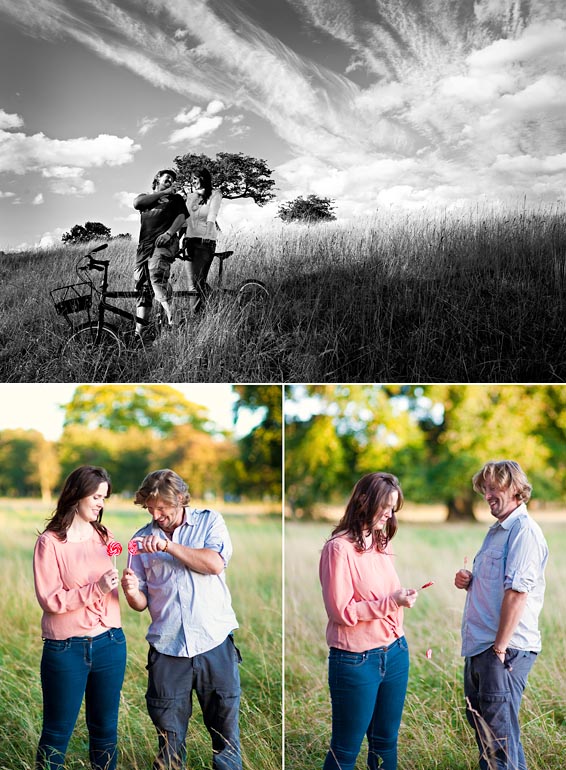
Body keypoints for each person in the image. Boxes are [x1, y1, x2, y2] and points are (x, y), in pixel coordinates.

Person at [120, 468, 242, 770]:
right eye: (151, 509)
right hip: (167, 650)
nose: (156, 515)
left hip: (214, 644)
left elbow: (214, 563)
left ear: (180, 499)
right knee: (169, 740)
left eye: (162, 508)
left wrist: (167, 546)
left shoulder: (210, 521)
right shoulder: (140, 540)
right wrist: (131, 591)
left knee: (225, 736)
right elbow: (140, 603)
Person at [319, 472, 419, 770]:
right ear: (364, 500)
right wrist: (392, 602)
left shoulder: (381, 541)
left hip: (396, 652)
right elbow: (341, 611)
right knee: (346, 750)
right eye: (385, 507)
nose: (389, 515)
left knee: (386, 742)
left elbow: (382, 594)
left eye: (393, 509)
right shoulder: (338, 548)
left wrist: (401, 599)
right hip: (356, 661)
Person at [454, 460, 548, 770]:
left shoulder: (524, 532)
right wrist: (472, 580)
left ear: (516, 489)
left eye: (496, 488)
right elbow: (499, 584)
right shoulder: (498, 530)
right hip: (482, 647)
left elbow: (517, 593)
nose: (489, 495)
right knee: (492, 738)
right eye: (485, 489)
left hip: (502, 650)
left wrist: (499, 648)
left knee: (498, 747)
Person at [33, 465, 126, 770]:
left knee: (105, 733)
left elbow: (110, 586)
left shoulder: (104, 536)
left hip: (110, 643)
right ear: (77, 494)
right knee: (56, 735)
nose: (101, 503)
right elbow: (49, 599)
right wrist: (95, 589)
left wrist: (125, 584)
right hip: (66, 649)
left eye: (105, 497)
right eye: (97, 496)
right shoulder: (50, 542)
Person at [133, 168, 189, 334]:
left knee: (156, 273)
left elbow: (181, 217)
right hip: (144, 247)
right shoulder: (146, 198)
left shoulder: (176, 199)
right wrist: (162, 193)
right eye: (167, 178)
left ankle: (174, 321)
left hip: (164, 243)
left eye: (172, 180)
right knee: (142, 289)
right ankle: (139, 333)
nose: (170, 181)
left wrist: (169, 233)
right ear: (157, 179)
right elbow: (137, 203)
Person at [182, 168, 222, 312]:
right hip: (190, 242)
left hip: (206, 242)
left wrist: (206, 235)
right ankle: (212, 305)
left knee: (195, 284)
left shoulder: (215, 194)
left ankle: (194, 318)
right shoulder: (191, 196)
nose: (193, 182)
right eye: (191, 180)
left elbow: (212, 215)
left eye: (195, 178)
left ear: (203, 178)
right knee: (196, 283)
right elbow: (185, 219)